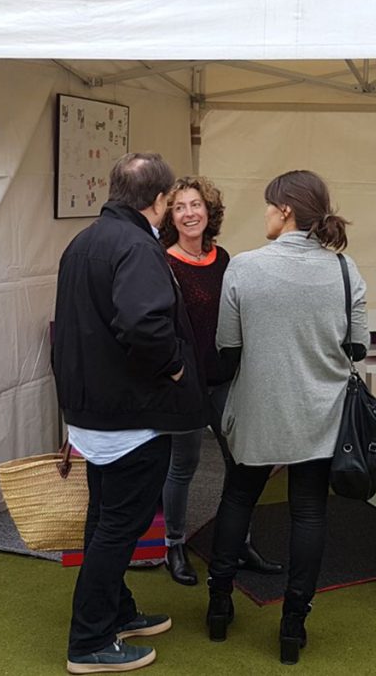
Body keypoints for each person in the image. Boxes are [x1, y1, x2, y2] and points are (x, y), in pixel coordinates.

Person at [205, 170, 369, 665]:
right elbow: (357, 346)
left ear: (285, 211)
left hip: (257, 407)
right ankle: (293, 625)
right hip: (320, 413)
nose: (265, 215)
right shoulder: (345, 271)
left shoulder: (244, 268)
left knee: (237, 499)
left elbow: (226, 350)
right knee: (309, 512)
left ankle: (218, 606)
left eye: (267, 206)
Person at [52, 152, 206, 675]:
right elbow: (144, 326)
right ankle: (90, 640)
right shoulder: (137, 245)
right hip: (129, 414)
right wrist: (174, 370)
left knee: (105, 520)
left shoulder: (84, 241)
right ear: (159, 201)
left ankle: (116, 613)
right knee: (120, 526)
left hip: (94, 408)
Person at [158, 176, 282, 586]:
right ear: (170, 217)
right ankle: (174, 545)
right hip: (184, 385)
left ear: (209, 212)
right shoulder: (164, 262)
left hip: (227, 379)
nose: (189, 213)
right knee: (184, 465)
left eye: (196, 205)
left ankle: (237, 543)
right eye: (179, 207)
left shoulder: (223, 257)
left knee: (242, 463)